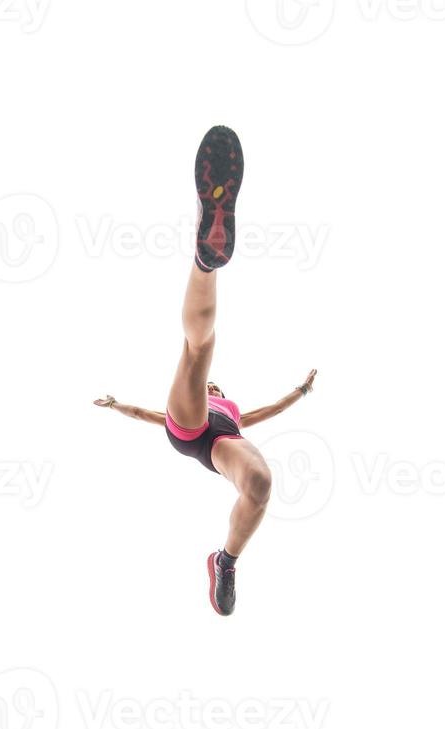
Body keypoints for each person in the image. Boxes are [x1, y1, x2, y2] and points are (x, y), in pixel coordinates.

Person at [94, 125, 317, 616]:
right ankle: (205, 260)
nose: (219, 385)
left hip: (211, 442)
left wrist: (300, 392)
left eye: (220, 386)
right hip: (184, 423)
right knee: (199, 348)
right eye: (217, 387)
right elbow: (148, 416)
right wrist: (117, 406)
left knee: (259, 480)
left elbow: (271, 409)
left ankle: (226, 561)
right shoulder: (208, 394)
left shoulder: (234, 411)